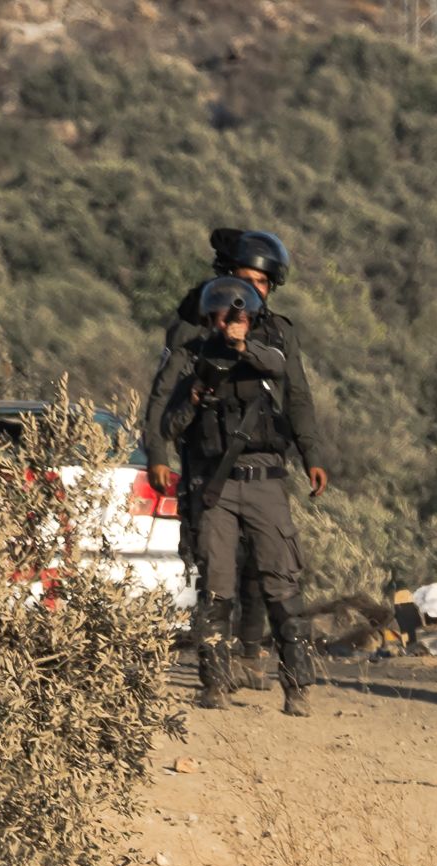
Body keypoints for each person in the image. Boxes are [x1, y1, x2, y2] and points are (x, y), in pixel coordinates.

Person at [155, 263, 328, 716]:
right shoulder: (192, 358)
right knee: (216, 587)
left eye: (235, 315)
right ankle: (214, 683)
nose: (224, 323)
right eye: (217, 317)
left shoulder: (264, 353)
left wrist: (239, 344)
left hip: (265, 481)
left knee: (281, 584)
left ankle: (298, 687)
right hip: (215, 487)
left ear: (251, 318)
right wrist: (194, 395)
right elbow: (169, 425)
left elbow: (283, 371)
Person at [143, 228, 276, 690]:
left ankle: (251, 654)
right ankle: (214, 670)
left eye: (262, 284)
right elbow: (162, 397)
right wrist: (157, 454)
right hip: (203, 463)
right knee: (211, 570)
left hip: (254, 465)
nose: (253, 293)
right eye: (246, 280)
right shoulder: (194, 327)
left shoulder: (269, 330)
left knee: (260, 565)